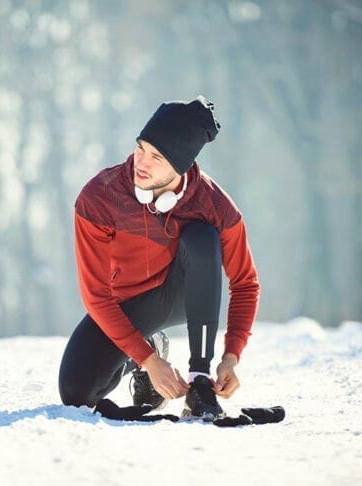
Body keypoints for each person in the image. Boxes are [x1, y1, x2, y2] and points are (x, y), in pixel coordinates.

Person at [58, 95, 260, 420]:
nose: (141, 162)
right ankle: (149, 351)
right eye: (141, 148)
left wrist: (231, 356)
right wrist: (149, 361)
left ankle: (200, 380)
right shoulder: (99, 198)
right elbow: (96, 296)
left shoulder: (216, 206)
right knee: (75, 393)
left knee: (201, 237)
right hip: (123, 305)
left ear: (180, 166)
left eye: (156, 157)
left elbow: (245, 284)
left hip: (179, 293)